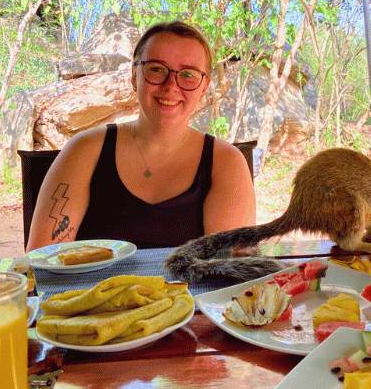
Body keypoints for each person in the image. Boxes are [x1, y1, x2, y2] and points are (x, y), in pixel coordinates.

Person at [26, 20, 256, 251]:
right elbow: (41, 262)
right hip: (90, 289)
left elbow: (228, 271)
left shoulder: (226, 163)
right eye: (156, 69)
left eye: (188, 74)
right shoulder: (84, 150)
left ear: (204, 86)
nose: (171, 85)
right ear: (134, 76)